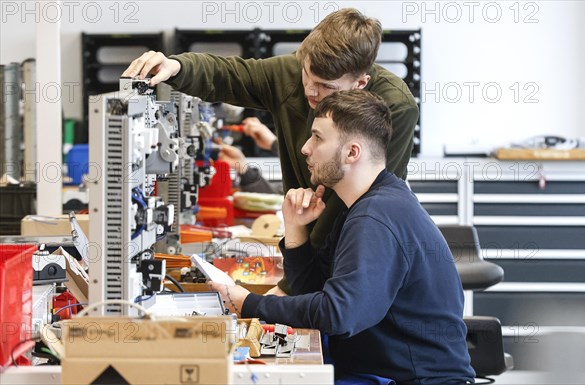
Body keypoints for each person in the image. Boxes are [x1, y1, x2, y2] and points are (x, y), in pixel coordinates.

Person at [123, 8, 419, 294]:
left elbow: (358, 205)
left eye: (326, 87)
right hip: (304, 238)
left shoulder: (395, 107)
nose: (311, 92)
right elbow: (230, 74)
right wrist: (178, 67)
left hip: (359, 249)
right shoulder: (293, 73)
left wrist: (292, 284)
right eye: (308, 76)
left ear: (360, 83)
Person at [209, 90, 475, 384]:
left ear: (352, 152)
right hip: (372, 367)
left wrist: (249, 303)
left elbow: (338, 314)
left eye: (318, 138)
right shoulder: (361, 206)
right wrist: (296, 230)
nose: (305, 149)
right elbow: (312, 290)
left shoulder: (375, 216)